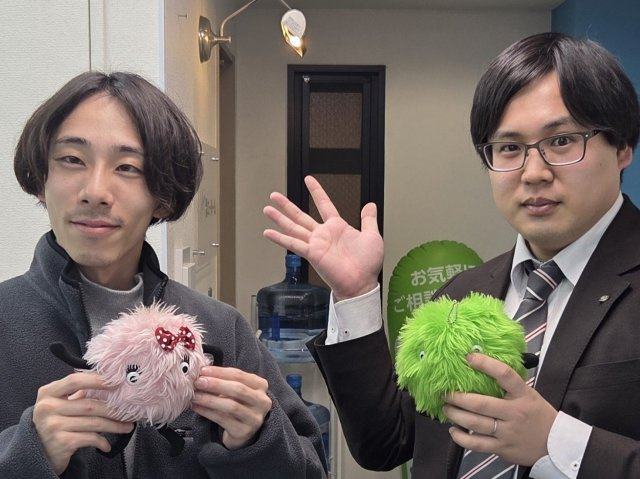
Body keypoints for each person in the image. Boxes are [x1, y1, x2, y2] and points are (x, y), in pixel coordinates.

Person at [263, 31, 640, 478]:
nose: (533, 173)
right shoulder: (464, 292)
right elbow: (385, 442)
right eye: (509, 148)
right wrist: (356, 293)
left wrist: (555, 443)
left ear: (622, 148)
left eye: (561, 141)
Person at [0, 71, 326, 479]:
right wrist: (26, 455)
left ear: (162, 197)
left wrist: (258, 440)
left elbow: (311, 469)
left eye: (128, 167)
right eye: (72, 160)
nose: (95, 191)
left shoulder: (221, 329)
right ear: (41, 179)